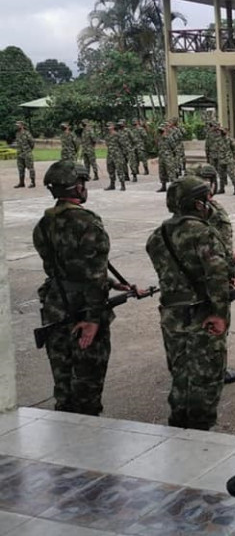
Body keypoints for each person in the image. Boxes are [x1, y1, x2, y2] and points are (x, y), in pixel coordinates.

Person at [33, 161, 128, 415]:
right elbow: (93, 276)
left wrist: (112, 281)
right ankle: (86, 436)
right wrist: (94, 319)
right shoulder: (87, 223)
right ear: (76, 188)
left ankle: (66, 430)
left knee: (63, 384)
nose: (85, 187)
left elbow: (63, 268)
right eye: (82, 183)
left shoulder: (44, 223)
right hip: (82, 308)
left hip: (55, 306)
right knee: (87, 383)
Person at [146, 176, 232, 430]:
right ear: (197, 205)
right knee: (206, 375)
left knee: (180, 371)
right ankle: (200, 429)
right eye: (206, 200)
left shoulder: (157, 235)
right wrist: (220, 313)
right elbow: (217, 275)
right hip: (201, 315)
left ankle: (178, 420)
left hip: (172, 315)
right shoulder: (204, 233)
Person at [189, 164, 235, 383]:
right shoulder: (214, 211)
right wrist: (230, 271)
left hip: (187, 278)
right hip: (211, 277)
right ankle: (215, 370)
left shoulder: (184, 210)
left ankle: (193, 364)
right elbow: (221, 250)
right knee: (216, 321)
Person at [14, 120, 36, 188]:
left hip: (27, 153)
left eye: (18, 125)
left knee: (30, 168)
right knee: (20, 169)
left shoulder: (27, 133)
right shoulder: (17, 134)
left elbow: (32, 143)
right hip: (20, 154)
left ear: (22, 126)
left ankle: (33, 182)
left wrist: (28, 150)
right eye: (16, 125)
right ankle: (21, 183)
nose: (17, 126)